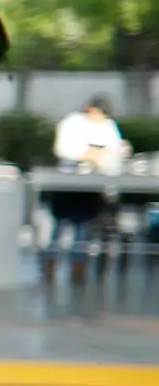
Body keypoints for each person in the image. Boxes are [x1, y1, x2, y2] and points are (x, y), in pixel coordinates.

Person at [44, 95, 132, 284]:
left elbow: (116, 149)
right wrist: (88, 154)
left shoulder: (108, 126)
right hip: (69, 181)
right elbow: (64, 149)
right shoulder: (72, 123)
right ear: (90, 110)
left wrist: (106, 154)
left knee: (84, 227)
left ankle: (79, 269)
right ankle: (50, 266)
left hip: (93, 183)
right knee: (60, 225)